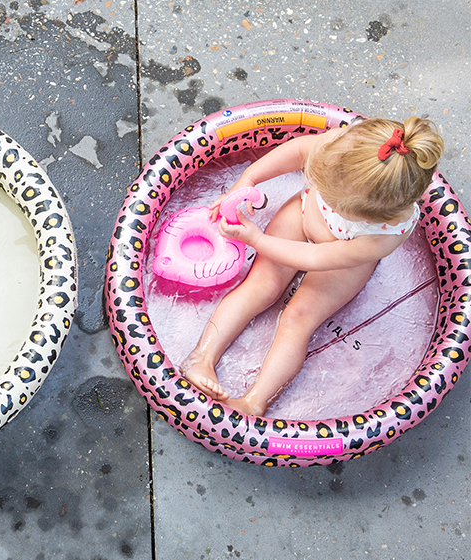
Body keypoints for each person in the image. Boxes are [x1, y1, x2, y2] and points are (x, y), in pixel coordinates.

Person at [179, 115, 444, 416]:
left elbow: (316, 259)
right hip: (303, 213)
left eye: (334, 201)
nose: (329, 200)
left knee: (298, 318)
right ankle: (201, 358)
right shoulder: (346, 147)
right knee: (261, 287)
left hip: (343, 259)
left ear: (377, 215)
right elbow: (297, 151)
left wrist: (256, 239)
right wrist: (249, 178)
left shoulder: (384, 235)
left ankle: (255, 400)